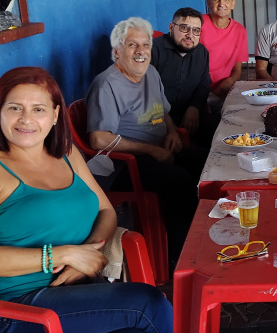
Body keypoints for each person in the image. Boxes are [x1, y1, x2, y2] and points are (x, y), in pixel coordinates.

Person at [0, 66, 239, 333]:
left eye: (38, 109)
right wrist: (63, 255)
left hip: (76, 294)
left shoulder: (65, 154)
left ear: (54, 116)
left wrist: (88, 253)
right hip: (22, 310)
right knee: (148, 302)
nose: (26, 119)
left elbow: (105, 210)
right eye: (14, 108)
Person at [86, 17, 207, 268]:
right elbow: (99, 139)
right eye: (132, 45)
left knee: (206, 163)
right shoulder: (106, 83)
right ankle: (180, 258)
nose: (141, 52)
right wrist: (151, 149)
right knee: (180, 182)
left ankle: (205, 239)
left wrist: (172, 132)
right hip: (123, 165)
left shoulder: (151, 72)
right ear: (117, 51)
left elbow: (163, 112)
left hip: (160, 147)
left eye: (146, 45)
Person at [151, 7, 217, 145]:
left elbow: (203, 85)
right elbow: (149, 93)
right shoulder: (153, 50)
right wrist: (169, 125)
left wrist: (194, 107)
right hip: (157, 119)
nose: (190, 35)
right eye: (184, 28)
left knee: (221, 134)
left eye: (196, 30)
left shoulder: (202, 52)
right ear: (171, 27)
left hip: (189, 113)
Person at [200, 0, 248, 114]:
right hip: (197, 91)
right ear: (209, 3)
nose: (222, 3)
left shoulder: (239, 30)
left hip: (224, 90)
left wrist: (227, 83)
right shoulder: (199, 24)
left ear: (232, 4)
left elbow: (237, 70)